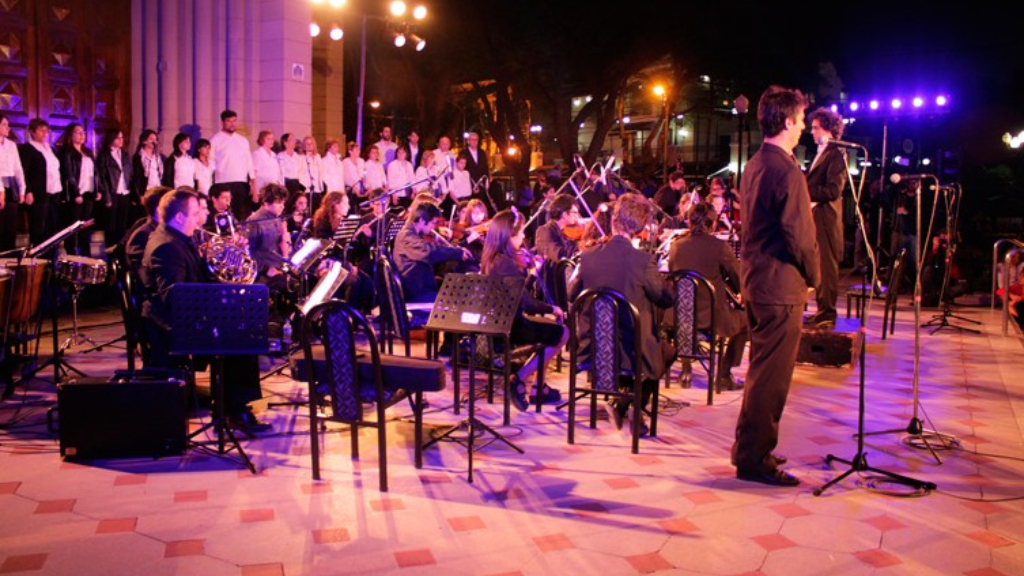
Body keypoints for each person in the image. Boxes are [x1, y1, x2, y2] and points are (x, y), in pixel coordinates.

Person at [732, 86, 819, 487]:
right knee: (771, 377)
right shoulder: (785, 169)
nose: (803, 127)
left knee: (760, 373)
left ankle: (750, 447)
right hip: (778, 286)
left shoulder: (755, 164)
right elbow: (800, 236)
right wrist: (816, 277)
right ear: (786, 121)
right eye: (800, 120)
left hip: (757, 281)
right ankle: (755, 457)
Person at [141, 187, 269, 433]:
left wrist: (230, 257)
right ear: (180, 217)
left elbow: (197, 275)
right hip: (172, 326)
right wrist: (220, 301)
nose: (202, 215)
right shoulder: (165, 247)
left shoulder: (179, 239)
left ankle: (232, 407)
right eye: (197, 211)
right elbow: (175, 296)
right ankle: (234, 410)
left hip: (186, 316)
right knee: (239, 337)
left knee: (242, 324)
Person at [568, 193, 673, 434]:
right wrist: (662, 270)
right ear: (641, 226)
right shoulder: (642, 260)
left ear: (614, 220)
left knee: (631, 335)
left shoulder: (588, 255)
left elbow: (572, 295)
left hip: (592, 349)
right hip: (631, 352)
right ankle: (632, 406)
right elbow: (665, 299)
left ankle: (621, 400)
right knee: (664, 349)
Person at [481, 209, 567, 410]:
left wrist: (531, 275)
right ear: (508, 236)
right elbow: (526, 304)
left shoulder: (491, 259)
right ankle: (519, 379)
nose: (523, 238)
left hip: (498, 323)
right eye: (520, 234)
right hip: (511, 327)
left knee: (549, 332)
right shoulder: (507, 264)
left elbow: (517, 294)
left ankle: (540, 388)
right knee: (562, 332)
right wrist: (552, 308)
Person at [667, 201, 748, 390]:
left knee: (687, 313)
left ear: (689, 222)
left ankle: (686, 370)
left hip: (680, 317)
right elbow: (737, 279)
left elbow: (672, 276)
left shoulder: (676, 247)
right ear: (712, 224)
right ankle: (724, 375)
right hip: (711, 318)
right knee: (746, 321)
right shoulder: (719, 247)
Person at [804, 107, 848, 329]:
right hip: (816, 216)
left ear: (829, 129)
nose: (811, 132)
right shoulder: (821, 152)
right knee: (819, 265)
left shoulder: (836, 152)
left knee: (827, 267)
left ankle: (827, 311)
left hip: (825, 217)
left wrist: (805, 192)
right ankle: (822, 309)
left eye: (815, 128)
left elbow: (833, 190)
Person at [393, 199, 471, 303]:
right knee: (454, 302)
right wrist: (457, 252)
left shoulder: (412, 234)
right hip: (417, 292)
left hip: (421, 285)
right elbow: (429, 251)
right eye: (432, 223)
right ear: (421, 220)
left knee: (455, 288)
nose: (434, 227)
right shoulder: (406, 236)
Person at [18, 118, 63, 245]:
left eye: (46, 131)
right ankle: (38, 259)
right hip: (38, 194)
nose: (45, 133)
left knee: (52, 226)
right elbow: (23, 172)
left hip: (54, 192)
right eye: (41, 131)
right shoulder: (27, 148)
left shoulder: (51, 148)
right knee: (39, 227)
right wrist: (28, 190)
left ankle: (51, 258)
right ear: (32, 132)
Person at [57, 123, 97, 255]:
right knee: (73, 226)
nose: (82, 135)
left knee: (86, 226)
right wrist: (75, 193)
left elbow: (95, 172)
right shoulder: (67, 152)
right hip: (76, 195)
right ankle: (71, 254)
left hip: (88, 193)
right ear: (70, 135)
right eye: (78, 132)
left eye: (83, 132)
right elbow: (68, 174)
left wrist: (98, 190)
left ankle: (86, 253)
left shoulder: (88, 152)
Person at [209, 110, 256, 221]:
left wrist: (253, 185)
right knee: (224, 214)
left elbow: (249, 162)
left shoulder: (243, 140)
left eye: (234, 121)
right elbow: (211, 163)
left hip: (241, 182)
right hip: (223, 182)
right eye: (229, 121)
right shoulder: (215, 140)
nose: (232, 124)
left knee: (239, 213)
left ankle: (238, 236)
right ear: (223, 122)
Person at [245, 183, 291, 289]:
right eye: (278, 202)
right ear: (266, 203)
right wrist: (266, 269)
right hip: (264, 273)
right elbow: (247, 253)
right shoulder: (254, 221)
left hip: (279, 266)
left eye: (283, 202)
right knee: (290, 287)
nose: (282, 206)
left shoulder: (277, 218)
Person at [96, 128, 134, 246]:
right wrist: (107, 197)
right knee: (111, 225)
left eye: (122, 138)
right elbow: (102, 177)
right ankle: (110, 249)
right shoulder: (104, 155)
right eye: (118, 138)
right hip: (112, 192)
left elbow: (129, 173)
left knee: (122, 224)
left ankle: (120, 249)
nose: (121, 140)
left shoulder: (125, 154)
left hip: (124, 192)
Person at [126, 186, 172, 280]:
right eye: (171, 206)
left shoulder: (168, 231)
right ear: (159, 209)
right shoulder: (141, 235)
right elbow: (143, 275)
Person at [0, 112, 27, 251]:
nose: (7, 127)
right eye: (4, 124)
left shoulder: (11, 145)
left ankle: (8, 259)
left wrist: (22, 189)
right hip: (0, 187)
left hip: (11, 187)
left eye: (8, 125)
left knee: (10, 228)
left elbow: (18, 168)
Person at [533, 194, 580, 263]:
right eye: (574, 213)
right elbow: (558, 255)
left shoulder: (565, 230)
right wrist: (579, 246)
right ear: (564, 214)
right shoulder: (544, 231)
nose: (577, 216)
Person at [132, 129, 165, 207]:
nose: (153, 141)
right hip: (146, 189)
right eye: (151, 139)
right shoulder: (139, 157)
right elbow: (137, 177)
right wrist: (141, 194)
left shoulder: (158, 157)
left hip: (157, 188)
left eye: (155, 139)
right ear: (144, 141)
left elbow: (160, 173)